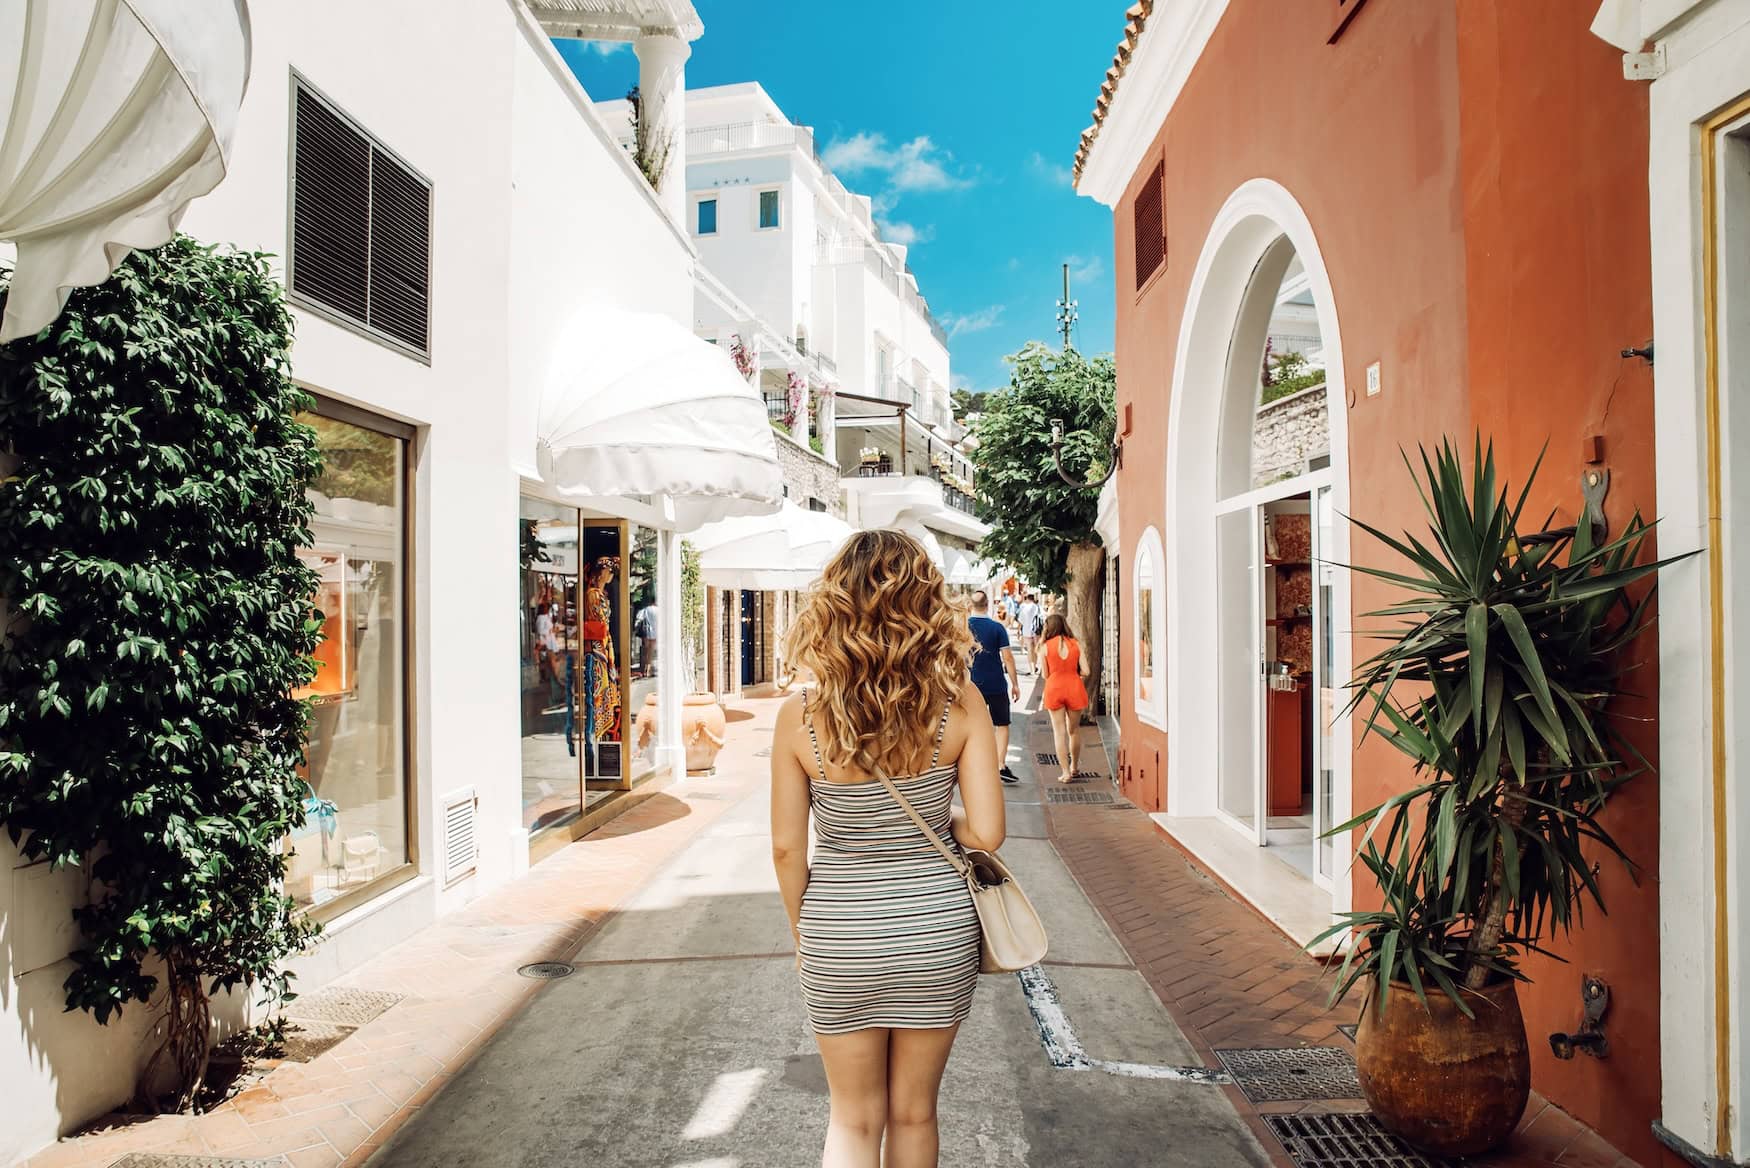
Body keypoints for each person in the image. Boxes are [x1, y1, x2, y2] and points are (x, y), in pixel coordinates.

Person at [771, 530, 1005, 1168]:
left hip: (837, 928)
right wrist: (941, 824)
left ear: (833, 605)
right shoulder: (961, 705)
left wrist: (804, 934)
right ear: (927, 604)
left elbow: (788, 849)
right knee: (914, 1113)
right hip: (935, 928)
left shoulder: (799, 717)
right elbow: (986, 833)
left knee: (851, 1119)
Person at [967, 590, 1022, 784]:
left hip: (971, 686)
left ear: (970, 605)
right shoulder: (997, 628)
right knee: (1002, 725)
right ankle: (1000, 765)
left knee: (971, 727)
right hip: (997, 684)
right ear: (987, 604)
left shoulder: (962, 628)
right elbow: (1007, 657)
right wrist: (1015, 684)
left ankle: (974, 765)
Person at [1038, 612, 1090, 784]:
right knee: (1074, 731)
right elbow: (1086, 671)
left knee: (1059, 733)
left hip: (1054, 688)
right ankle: (1075, 767)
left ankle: (1065, 772)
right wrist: (1074, 674)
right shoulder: (1075, 644)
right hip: (1074, 687)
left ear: (1049, 627)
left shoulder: (1044, 647)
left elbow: (1045, 674)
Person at [1016, 593, 1042, 673]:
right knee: (1036, 650)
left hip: (1027, 631)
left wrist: (1018, 631)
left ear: (1027, 599)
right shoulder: (1038, 607)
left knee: (1030, 650)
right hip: (1037, 631)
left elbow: (1021, 622)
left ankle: (1032, 670)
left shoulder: (1024, 608)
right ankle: (1034, 666)